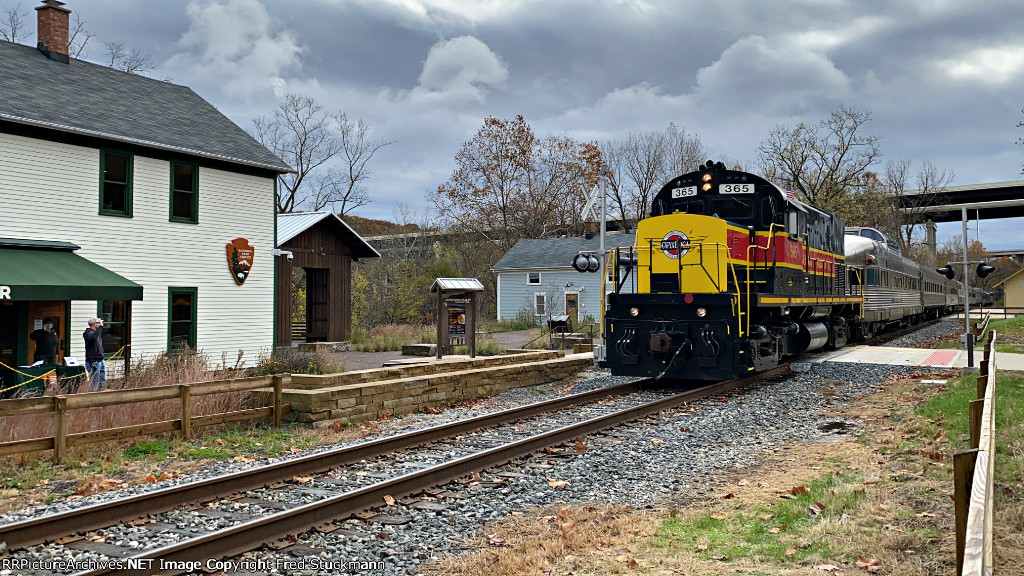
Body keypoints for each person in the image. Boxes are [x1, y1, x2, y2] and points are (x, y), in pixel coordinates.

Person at [83, 317, 106, 392]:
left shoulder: (96, 333)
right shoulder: (88, 333)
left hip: (100, 359)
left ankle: (100, 394)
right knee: (94, 381)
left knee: (102, 379)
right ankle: (91, 396)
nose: (100, 324)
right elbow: (93, 337)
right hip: (93, 361)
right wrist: (100, 327)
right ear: (94, 324)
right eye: (98, 323)